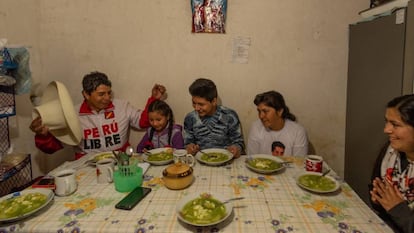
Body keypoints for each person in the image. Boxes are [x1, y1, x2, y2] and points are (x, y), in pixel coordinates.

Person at [30, 71, 166, 159]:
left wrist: (154, 99)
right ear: (86, 94)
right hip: (87, 166)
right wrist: (43, 134)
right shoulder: (72, 114)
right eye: (101, 94)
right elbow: (52, 147)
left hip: (121, 161)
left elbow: (143, 121)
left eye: (109, 93)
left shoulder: (121, 106)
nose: (107, 98)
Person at [370, 94, 414, 233]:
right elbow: (374, 187)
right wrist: (379, 200)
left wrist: (398, 210)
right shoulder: (390, 153)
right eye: (387, 122)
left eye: (395, 124)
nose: (386, 130)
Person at [183, 78, 245, 158]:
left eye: (201, 104)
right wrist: (190, 147)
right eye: (194, 103)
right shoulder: (190, 118)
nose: (196, 108)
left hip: (226, 161)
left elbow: (239, 142)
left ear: (214, 101)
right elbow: (188, 142)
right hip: (200, 161)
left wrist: (236, 149)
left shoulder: (229, 115)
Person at [247, 91, 308, 156]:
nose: (261, 116)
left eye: (265, 111)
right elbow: (251, 158)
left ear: (279, 111)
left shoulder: (298, 132)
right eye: (259, 111)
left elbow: (299, 163)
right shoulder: (256, 127)